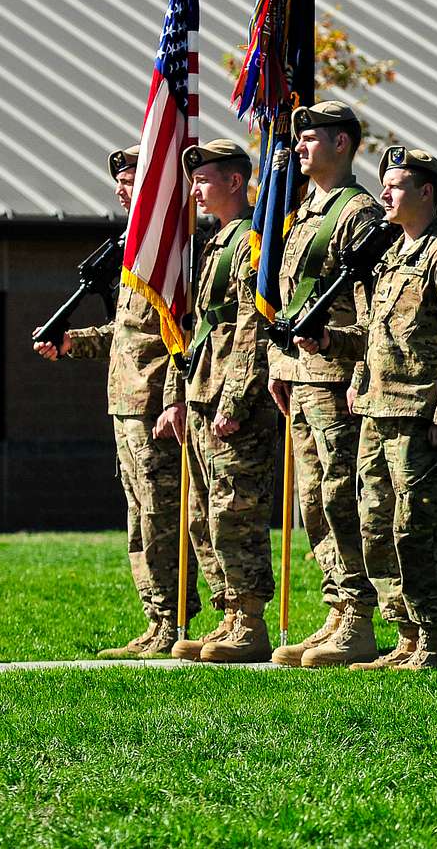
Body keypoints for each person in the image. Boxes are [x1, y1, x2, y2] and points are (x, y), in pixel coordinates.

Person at [300, 146, 437, 669]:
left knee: (417, 527)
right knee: (375, 523)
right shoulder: (390, 259)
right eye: (384, 183)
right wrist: (333, 346)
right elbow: (371, 336)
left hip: (420, 416)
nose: (384, 192)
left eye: (397, 185)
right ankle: (403, 631)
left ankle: (432, 637)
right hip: (377, 412)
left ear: (426, 193)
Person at [33, 146, 198, 657]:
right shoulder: (135, 252)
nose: (121, 190)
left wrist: (175, 400)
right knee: (137, 513)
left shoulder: (174, 254)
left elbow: (182, 336)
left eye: (131, 180)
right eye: (122, 181)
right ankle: (154, 618)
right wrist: (71, 342)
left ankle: (175, 620)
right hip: (125, 403)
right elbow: (125, 335)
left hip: (154, 408)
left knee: (161, 514)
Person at [266, 100, 384, 669]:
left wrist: (357, 369)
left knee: (342, 496)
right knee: (313, 500)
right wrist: (277, 364)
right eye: (300, 137)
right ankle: (336, 607)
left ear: (343, 144)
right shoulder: (304, 211)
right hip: (301, 375)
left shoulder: (358, 213)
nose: (300, 147)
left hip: (338, 376)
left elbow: (371, 311)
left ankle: (360, 615)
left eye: (312, 137)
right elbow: (287, 296)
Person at [172, 140, 281, 663]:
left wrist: (235, 402)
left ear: (235, 183)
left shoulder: (250, 242)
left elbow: (251, 328)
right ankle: (229, 614)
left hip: (231, 403)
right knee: (202, 515)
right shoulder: (213, 243)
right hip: (203, 392)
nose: (195, 189)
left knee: (236, 511)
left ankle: (250, 619)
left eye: (204, 179)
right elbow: (198, 329)